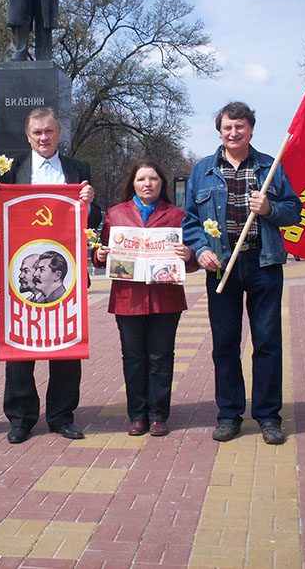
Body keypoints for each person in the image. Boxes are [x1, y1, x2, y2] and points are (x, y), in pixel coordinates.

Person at [181, 101, 301, 445]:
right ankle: (229, 414)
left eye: (240, 127)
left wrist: (270, 208)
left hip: (262, 263)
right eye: (228, 127)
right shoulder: (203, 170)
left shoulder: (269, 166)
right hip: (221, 267)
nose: (233, 133)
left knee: (267, 342)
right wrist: (201, 249)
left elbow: (294, 210)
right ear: (220, 131)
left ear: (250, 129)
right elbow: (190, 220)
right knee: (225, 344)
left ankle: (268, 416)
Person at [0, 106, 101, 444]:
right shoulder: (10, 171)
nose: (43, 138)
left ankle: (61, 417)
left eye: (49, 131)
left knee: (67, 347)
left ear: (59, 133)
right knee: (19, 350)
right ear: (28, 136)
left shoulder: (79, 170)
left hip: (64, 275)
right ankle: (21, 418)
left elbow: (93, 222)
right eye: (37, 132)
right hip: (21, 276)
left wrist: (90, 204)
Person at [92, 160, 197, 438]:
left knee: (161, 357)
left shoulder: (178, 216)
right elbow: (102, 253)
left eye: (153, 179)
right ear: (133, 184)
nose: (147, 184)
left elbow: (193, 259)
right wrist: (99, 256)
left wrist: (189, 256)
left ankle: (158, 415)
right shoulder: (115, 214)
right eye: (141, 179)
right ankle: (137, 415)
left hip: (166, 297)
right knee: (133, 358)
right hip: (128, 298)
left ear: (162, 183)